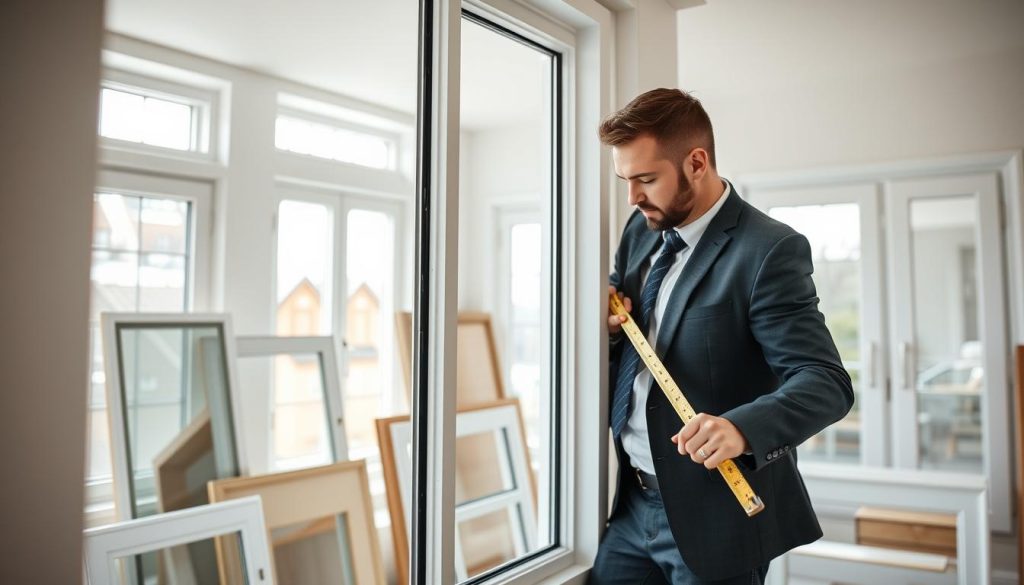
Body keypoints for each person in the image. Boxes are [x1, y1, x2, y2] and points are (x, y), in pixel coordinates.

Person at [591, 88, 854, 585]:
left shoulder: (768, 250)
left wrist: (741, 429)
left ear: (696, 162)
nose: (633, 197)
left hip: (716, 518)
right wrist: (609, 329)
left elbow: (826, 382)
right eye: (626, 180)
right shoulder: (640, 228)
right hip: (627, 506)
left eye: (646, 179)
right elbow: (637, 341)